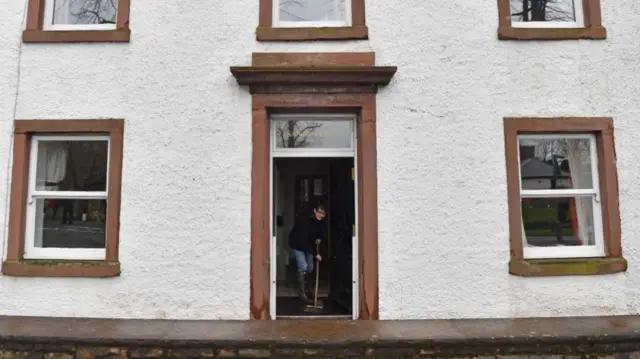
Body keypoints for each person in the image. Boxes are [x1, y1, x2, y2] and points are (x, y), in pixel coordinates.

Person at [288, 204, 326, 304]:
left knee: (310, 267)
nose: (321, 215)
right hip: (297, 243)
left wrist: (318, 238)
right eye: (319, 212)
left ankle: (308, 290)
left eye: (323, 214)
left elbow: (318, 232)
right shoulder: (305, 221)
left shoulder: (320, 221)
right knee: (303, 266)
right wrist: (316, 254)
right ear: (314, 210)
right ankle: (302, 293)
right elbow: (302, 240)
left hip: (308, 244)